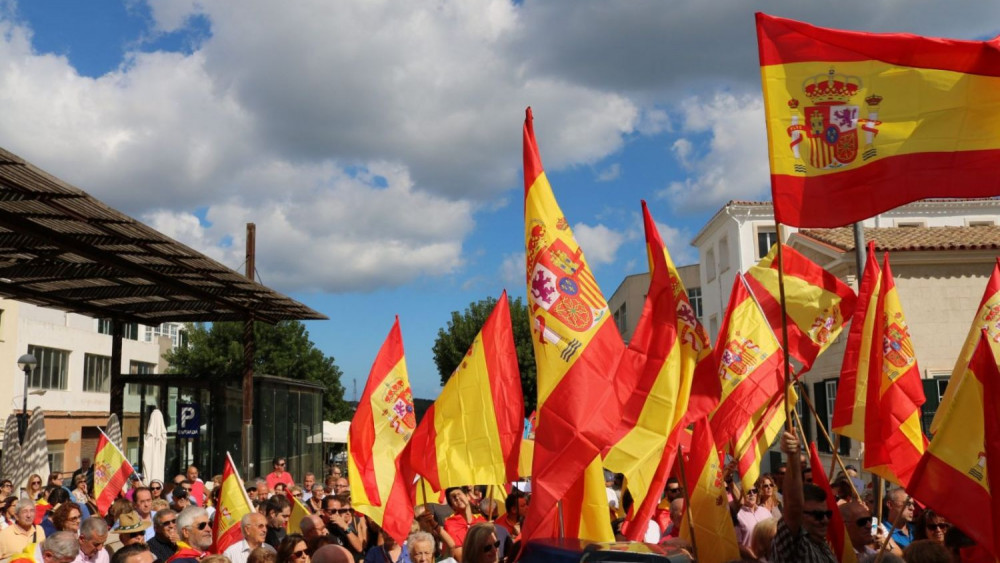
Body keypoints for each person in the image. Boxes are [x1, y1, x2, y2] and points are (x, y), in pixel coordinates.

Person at [770, 431, 836, 563]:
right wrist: (793, 456)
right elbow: (793, 506)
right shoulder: (797, 546)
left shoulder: (823, 545)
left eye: (827, 514)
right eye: (817, 515)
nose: (824, 520)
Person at [322, 495, 363, 561]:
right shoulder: (321, 529)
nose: (337, 514)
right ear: (323, 512)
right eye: (333, 511)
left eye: (340, 511)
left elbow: (359, 548)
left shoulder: (343, 526)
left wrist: (346, 527)